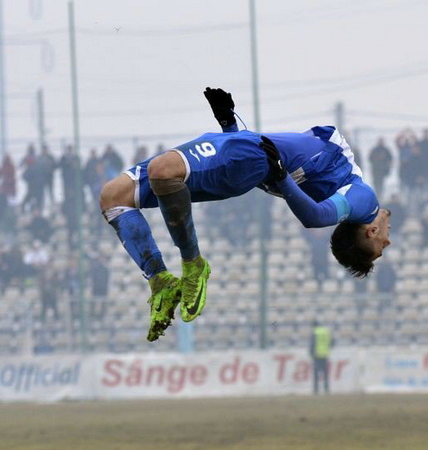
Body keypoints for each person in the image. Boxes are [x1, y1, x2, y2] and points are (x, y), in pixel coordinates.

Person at [99, 88, 391, 341]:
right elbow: (269, 155)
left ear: (371, 232)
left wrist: (281, 176)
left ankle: (193, 266)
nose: (388, 244)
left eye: (379, 250)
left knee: (162, 171)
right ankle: (159, 280)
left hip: (249, 159)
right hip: (244, 155)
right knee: (114, 197)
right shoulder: (333, 187)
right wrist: (229, 123)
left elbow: (315, 216)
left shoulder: (365, 203)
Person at [310, 320, 334, 395]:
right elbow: (332, 342)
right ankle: (326, 389)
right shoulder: (325, 331)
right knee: (325, 373)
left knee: (316, 374)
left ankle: (316, 390)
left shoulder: (315, 332)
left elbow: (312, 344)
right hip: (325, 355)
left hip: (317, 355)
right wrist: (327, 349)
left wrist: (311, 353)